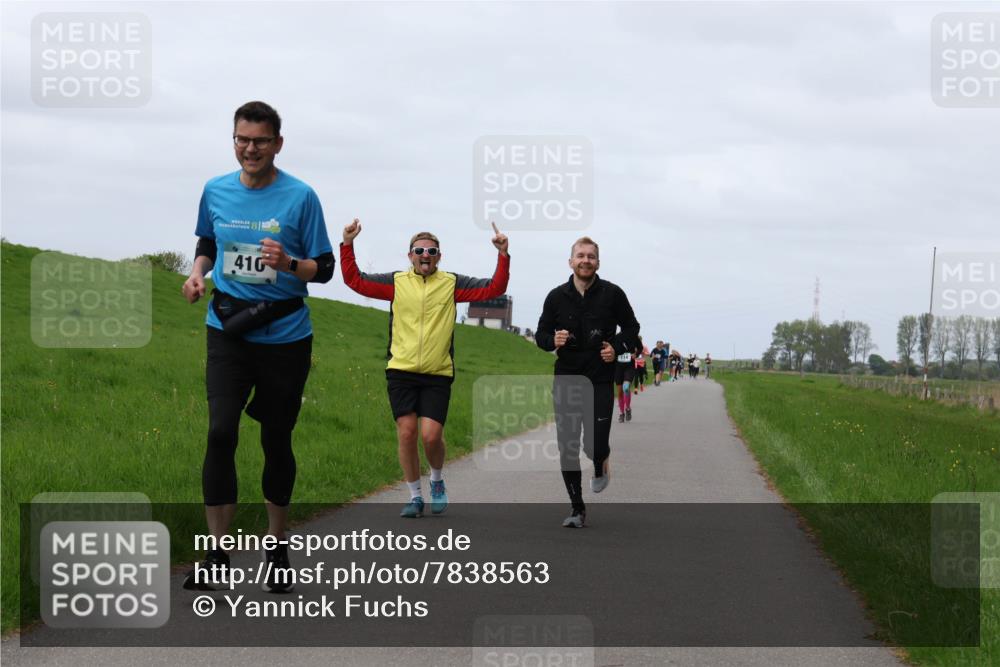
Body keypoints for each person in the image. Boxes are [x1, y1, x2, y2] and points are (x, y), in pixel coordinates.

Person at [181, 101, 335, 593]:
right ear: (234, 140)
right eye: (242, 139)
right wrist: (197, 272)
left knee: (275, 438)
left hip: (285, 337)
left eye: (260, 141)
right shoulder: (215, 189)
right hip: (226, 328)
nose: (250, 149)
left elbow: (325, 269)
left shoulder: (301, 197)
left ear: (278, 144)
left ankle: (276, 545)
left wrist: (289, 263)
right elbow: (207, 241)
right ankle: (217, 553)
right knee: (220, 431)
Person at [341, 219, 509, 518]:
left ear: (439, 256)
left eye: (431, 251)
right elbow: (355, 281)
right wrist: (347, 244)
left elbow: (494, 287)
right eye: (419, 250)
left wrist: (503, 254)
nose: (425, 255)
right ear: (410, 256)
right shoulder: (396, 282)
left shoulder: (452, 283)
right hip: (401, 370)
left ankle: (436, 480)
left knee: (430, 436)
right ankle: (415, 496)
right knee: (406, 433)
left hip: (437, 373)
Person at [535, 237, 640, 528]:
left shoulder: (612, 294)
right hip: (567, 377)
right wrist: (550, 340)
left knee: (593, 445)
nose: (586, 260)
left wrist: (616, 347)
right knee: (567, 445)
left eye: (591, 257)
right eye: (580, 256)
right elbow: (541, 334)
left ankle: (600, 460)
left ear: (598, 262)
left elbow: (632, 328)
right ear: (571, 262)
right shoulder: (556, 297)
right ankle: (577, 508)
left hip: (600, 378)